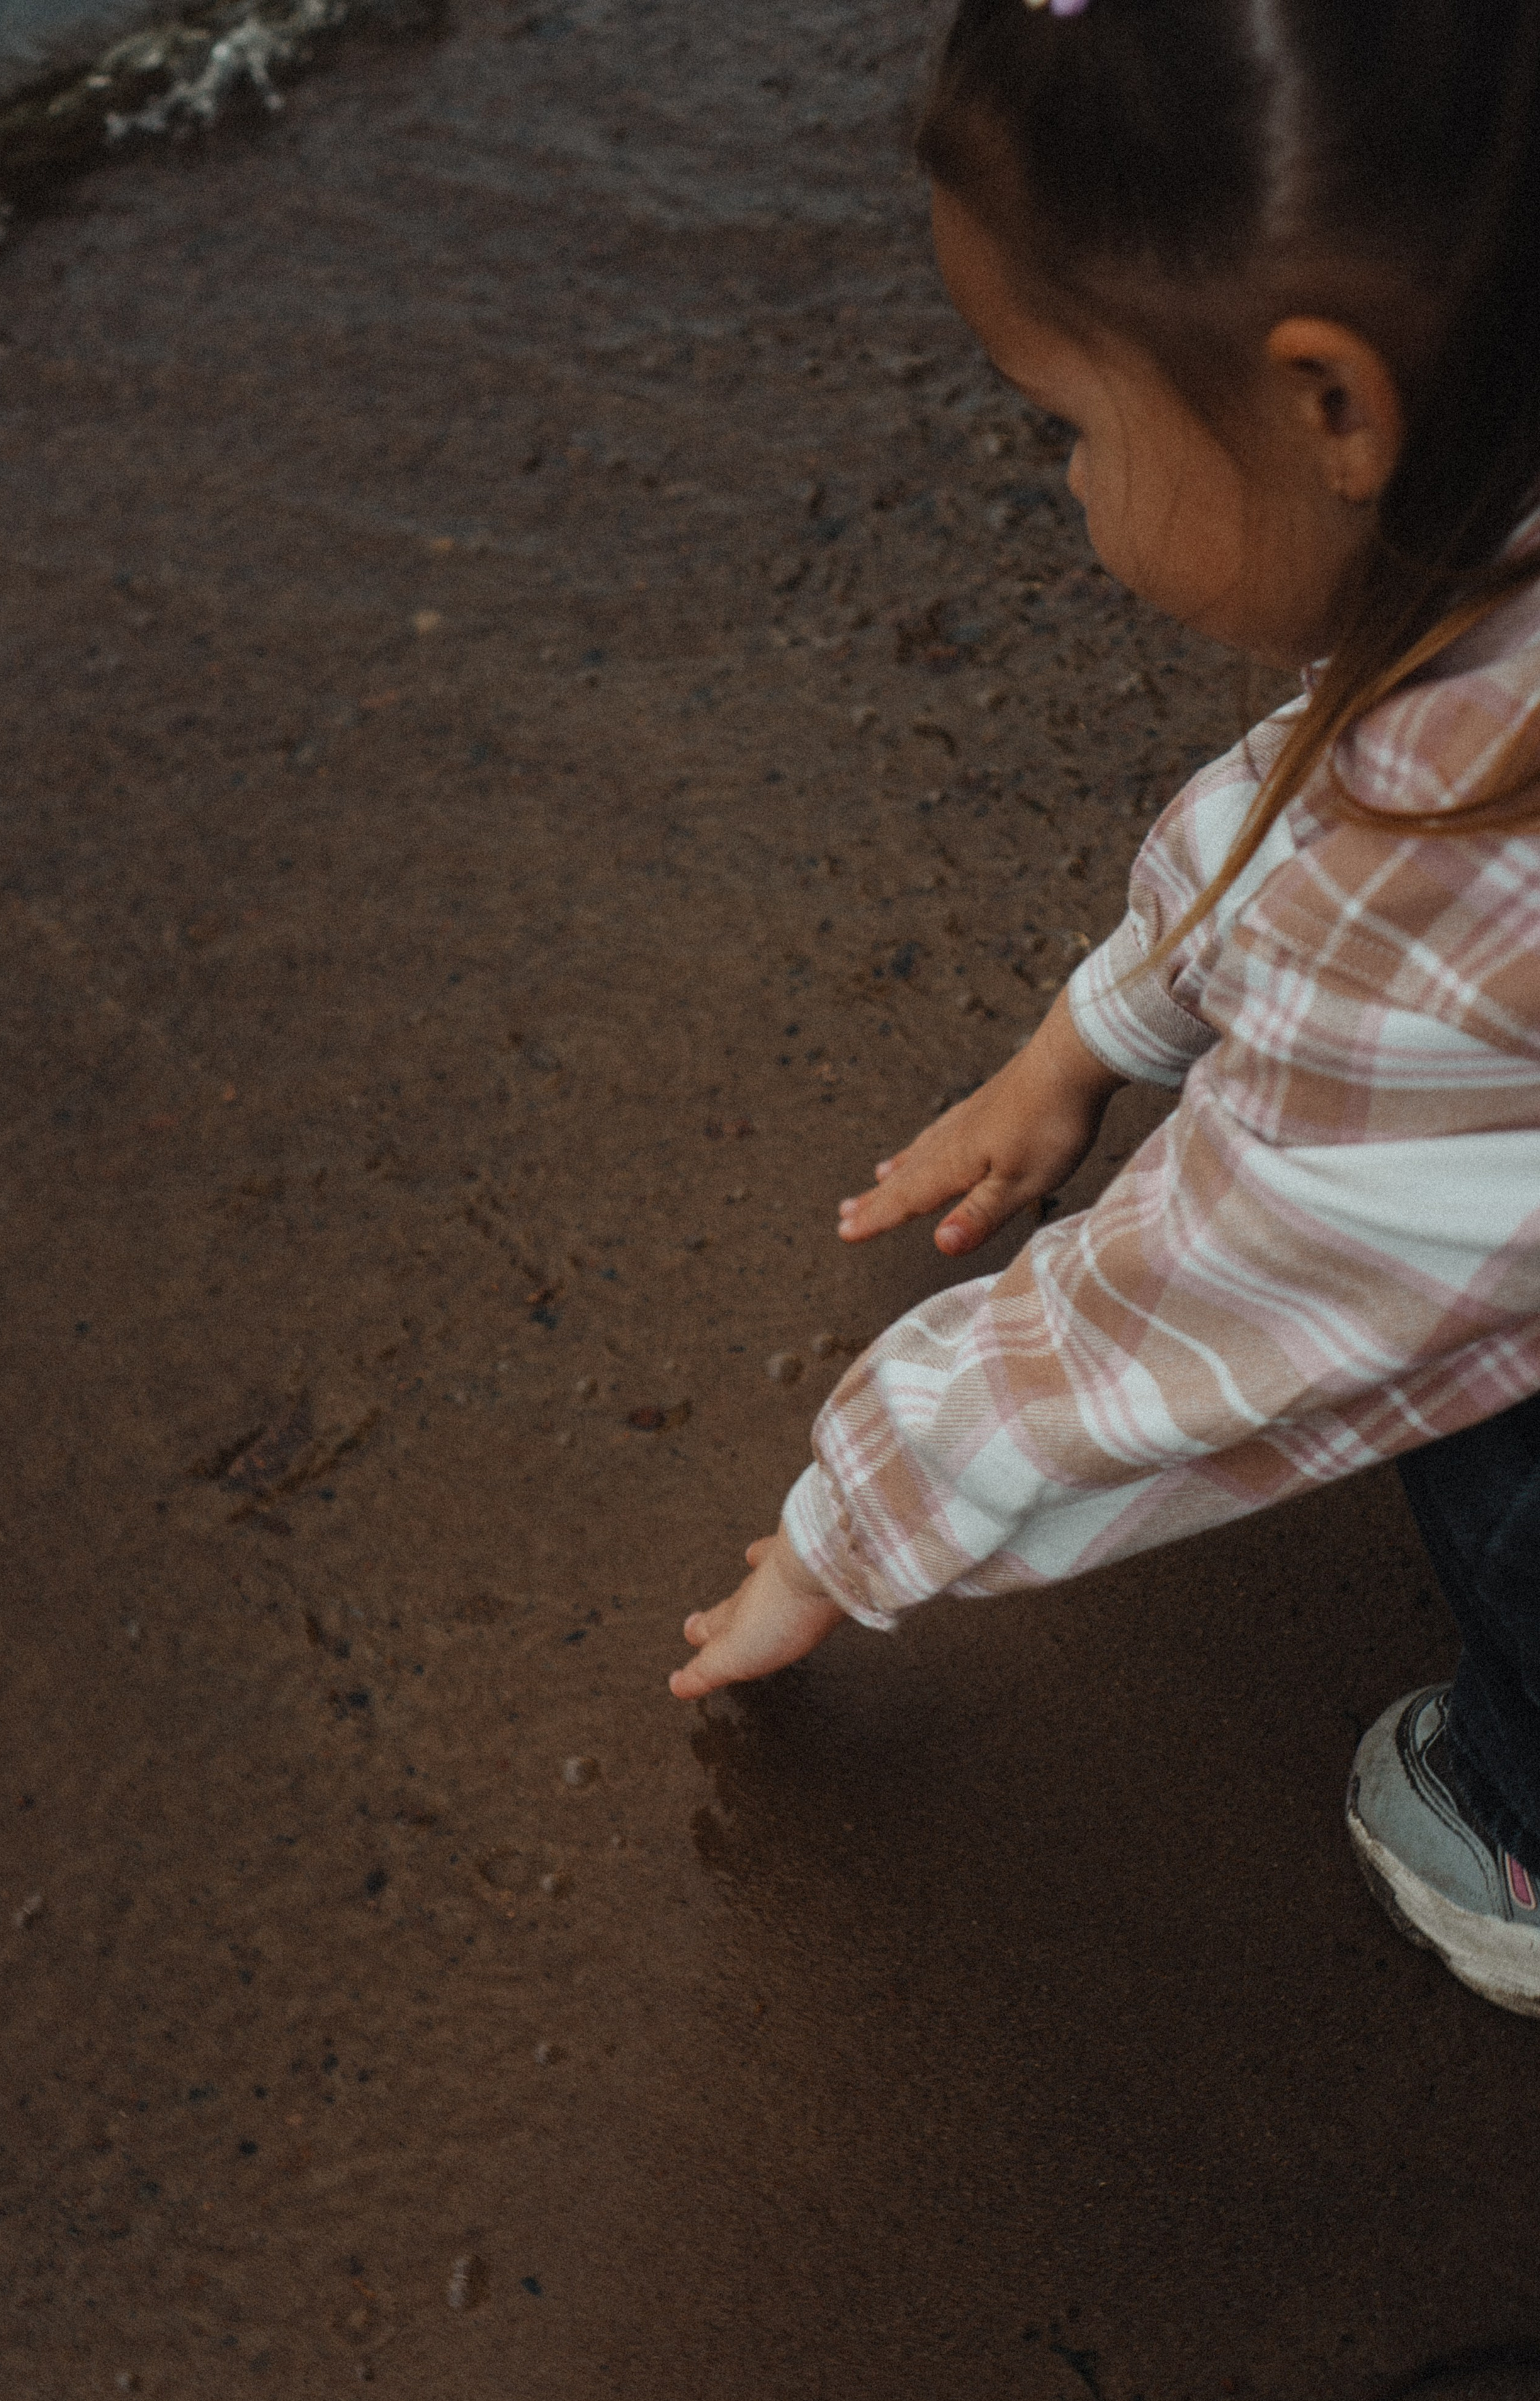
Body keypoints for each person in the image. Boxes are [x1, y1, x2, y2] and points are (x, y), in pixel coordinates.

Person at [668, 0, 1540, 2019]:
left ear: (1332, 403)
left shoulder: (1460, 883)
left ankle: (1514, 1831)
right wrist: (1096, 1035)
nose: (1062, 492)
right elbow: (1321, 816)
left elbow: (1221, 1284)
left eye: (1063, 422)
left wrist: (848, 1520)